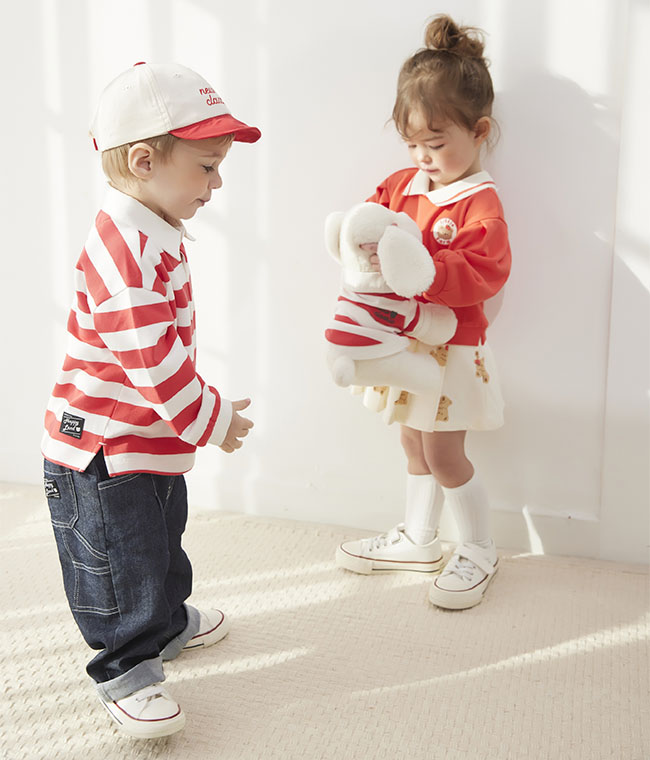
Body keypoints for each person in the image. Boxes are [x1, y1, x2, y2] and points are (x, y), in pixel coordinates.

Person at [41, 62, 260, 739]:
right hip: (102, 450)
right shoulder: (124, 253)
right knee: (121, 563)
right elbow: (152, 364)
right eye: (207, 167)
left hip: (144, 438)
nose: (216, 184)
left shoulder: (152, 232)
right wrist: (214, 419)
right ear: (143, 161)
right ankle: (127, 669)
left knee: (162, 539)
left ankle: (165, 621)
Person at [334, 15, 512, 611]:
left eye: (436, 145)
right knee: (412, 442)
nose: (423, 157)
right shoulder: (404, 184)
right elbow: (370, 222)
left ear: (478, 131)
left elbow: (485, 270)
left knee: (443, 452)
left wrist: (425, 268)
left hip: (451, 348)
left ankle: (480, 547)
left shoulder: (480, 204)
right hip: (405, 344)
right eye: (412, 144)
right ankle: (419, 536)